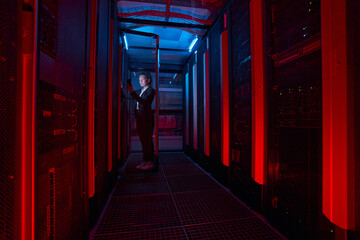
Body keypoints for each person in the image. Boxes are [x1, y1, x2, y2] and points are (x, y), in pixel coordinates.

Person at [126, 72, 156, 170]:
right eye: (139, 80)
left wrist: (132, 91)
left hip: (147, 119)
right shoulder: (141, 90)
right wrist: (124, 89)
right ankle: (145, 160)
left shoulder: (151, 90)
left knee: (147, 141)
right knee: (143, 141)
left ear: (148, 80)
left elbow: (143, 101)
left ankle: (150, 161)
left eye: (142, 80)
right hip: (140, 118)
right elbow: (131, 96)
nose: (140, 82)